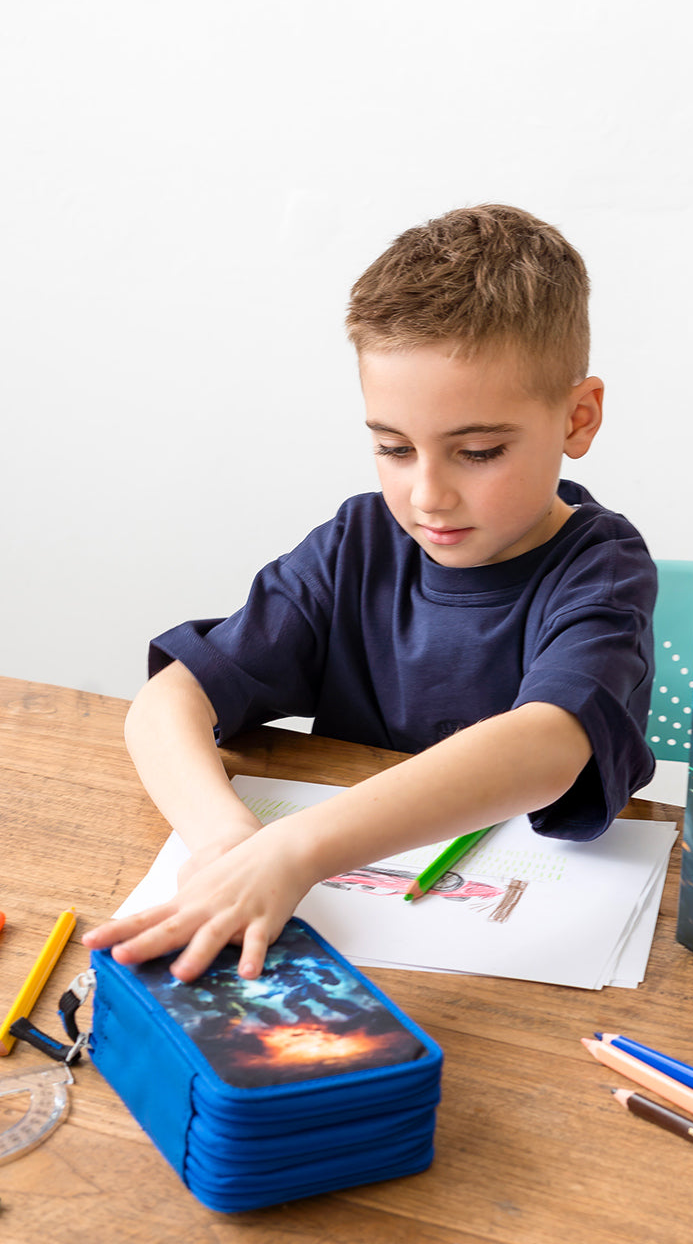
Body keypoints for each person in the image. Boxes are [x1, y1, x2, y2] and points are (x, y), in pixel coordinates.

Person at [83, 205, 657, 982]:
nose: (427, 495)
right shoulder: (359, 544)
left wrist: (296, 848)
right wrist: (226, 841)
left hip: (505, 955)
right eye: (392, 447)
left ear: (578, 418)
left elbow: (549, 743)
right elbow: (168, 702)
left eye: (479, 451)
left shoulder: (603, 565)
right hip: (348, 942)